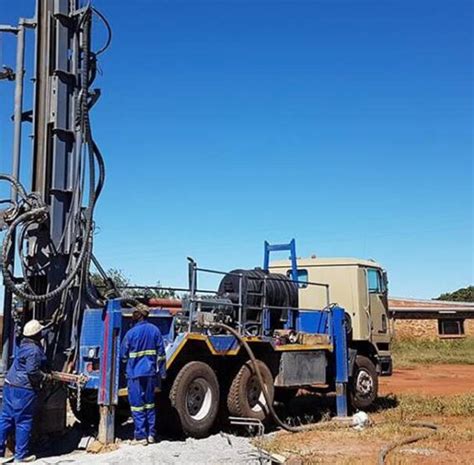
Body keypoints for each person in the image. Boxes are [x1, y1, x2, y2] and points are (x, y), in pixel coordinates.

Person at [0, 319, 51, 463]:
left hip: (10, 385)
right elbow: (32, 371)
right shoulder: (34, 351)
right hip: (23, 390)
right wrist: (45, 376)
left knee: (5, 419)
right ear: (36, 335)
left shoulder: (23, 345)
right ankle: (20, 456)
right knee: (23, 421)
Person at [121, 304, 165, 445]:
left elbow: (122, 355)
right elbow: (161, 355)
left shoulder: (131, 333)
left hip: (135, 375)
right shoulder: (155, 331)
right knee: (150, 404)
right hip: (150, 373)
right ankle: (151, 434)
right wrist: (162, 373)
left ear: (136, 316)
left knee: (137, 406)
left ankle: (141, 437)